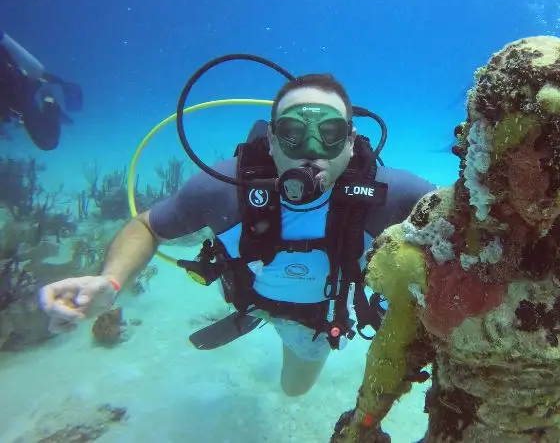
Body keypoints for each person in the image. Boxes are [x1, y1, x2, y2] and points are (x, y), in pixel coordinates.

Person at [330, 36, 560, 443]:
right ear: (480, 144)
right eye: (515, 150)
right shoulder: (434, 240)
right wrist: (362, 426)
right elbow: (394, 349)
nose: (538, 184)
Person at [39, 73, 437, 397]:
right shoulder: (223, 188)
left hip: (316, 318)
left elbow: (466, 224)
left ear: (350, 142)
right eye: (294, 133)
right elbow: (148, 224)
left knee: (294, 390)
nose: (311, 150)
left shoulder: (393, 196)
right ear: (273, 140)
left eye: (330, 132)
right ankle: (254, 312)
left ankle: (278, 325)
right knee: (254, 301)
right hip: (248, 288)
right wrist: (111, 281)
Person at [0, 29, 82, 150]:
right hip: (17, 100)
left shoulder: (29, 100)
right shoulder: (26, 108)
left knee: (36, 70)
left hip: (19, 97)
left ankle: (3, 38)